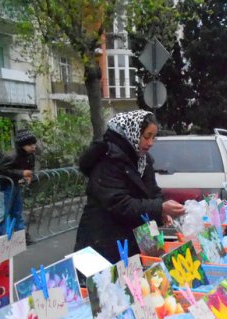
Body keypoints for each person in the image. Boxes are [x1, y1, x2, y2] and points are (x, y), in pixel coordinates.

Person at [74, 110, 185, 263]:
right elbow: (119, 203)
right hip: (103, 242)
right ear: (132, 132)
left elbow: (153, 191)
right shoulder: (107, 160)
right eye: (146, 136)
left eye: (154, 138)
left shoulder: (142, 160)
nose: (150, 143)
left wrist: (162, 210)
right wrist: (159, 207)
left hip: (133, 240)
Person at [0, 128, 36, 238]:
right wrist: (22, 173)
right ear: (22, 145)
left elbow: (30, 167)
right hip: (3, 186)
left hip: (14, 184)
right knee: (2, 214)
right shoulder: (10, 155)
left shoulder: (30, 155)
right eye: (30, 144)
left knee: (17, 212)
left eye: (34, 144)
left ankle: (20, 237)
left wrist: (29, 175)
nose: (33, 147)